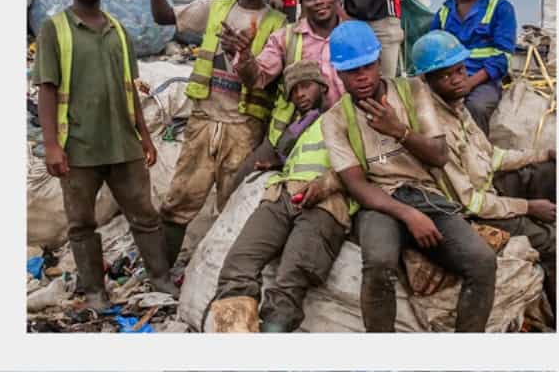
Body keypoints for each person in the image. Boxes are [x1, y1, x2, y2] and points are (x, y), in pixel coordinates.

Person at [324, 21, 492, 332]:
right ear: (338, 73)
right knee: (378, 264)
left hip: (426, 194)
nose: (361, 77)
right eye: (351, 71)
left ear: (378, 63)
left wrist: (398, 130)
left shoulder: (413, 90)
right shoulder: (334, 119)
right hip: (380, 202)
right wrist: (409, 215)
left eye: (367, 66)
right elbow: (357, 185)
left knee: (482, 262)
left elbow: (439, 156)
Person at [37, 0, 175, 312]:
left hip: (124, 145)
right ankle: (95, 291)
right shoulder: (57, 30)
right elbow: (47, 89)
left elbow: (132, 87)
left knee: (145, 216)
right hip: (79, 148)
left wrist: (145, 136)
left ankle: (160, 278)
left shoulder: (117, 29)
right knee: (82, 225)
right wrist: (51, 145)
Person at [149, 0, 287, 264]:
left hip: (244, 128)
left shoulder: (278, 24)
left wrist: (243, 54)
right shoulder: (216, 7)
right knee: (180, 197)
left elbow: (272, 79)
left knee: (233, 204)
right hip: (204, 120)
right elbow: (166, 17)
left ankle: (222, 274)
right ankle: (162, 272)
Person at [412, 30, 557, 315]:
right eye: (445, 75)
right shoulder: (434, 129)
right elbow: (472, 202)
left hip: (488, 187)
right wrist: (527, 208)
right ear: (426, 82)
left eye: (460, 70)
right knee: (551, 243)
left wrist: (542, 154)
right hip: (473, 212)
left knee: (547, 172)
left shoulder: (458, 107)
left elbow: (491, 156)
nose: (458, 79)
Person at [211, 60, 350, 332]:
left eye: (306, 86)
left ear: (323, 87)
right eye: (293, 91)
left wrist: (326, 183)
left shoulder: (344, 116)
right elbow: (295, 156)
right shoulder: (296, 130)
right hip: (282, 195)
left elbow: (364, 164)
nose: (299, 94)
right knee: (237, 265)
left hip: (325, 202)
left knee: (291, 278)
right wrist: (277, 165)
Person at [249, 0, 349, 147]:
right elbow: (257, 77)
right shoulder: (285, 38)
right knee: (246, 173)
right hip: (295, 136)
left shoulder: (355, 36)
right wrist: (245, 55)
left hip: (346, 132)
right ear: (302, 2)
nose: (319, 1)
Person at [431, 0, 517, 129]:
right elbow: (432, 58)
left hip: (484, 82)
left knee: (475, 107)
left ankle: (480, 156)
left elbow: (502, 57)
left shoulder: (500, 8)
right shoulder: (443, 13)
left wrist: (470, 83)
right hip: (450, 82)